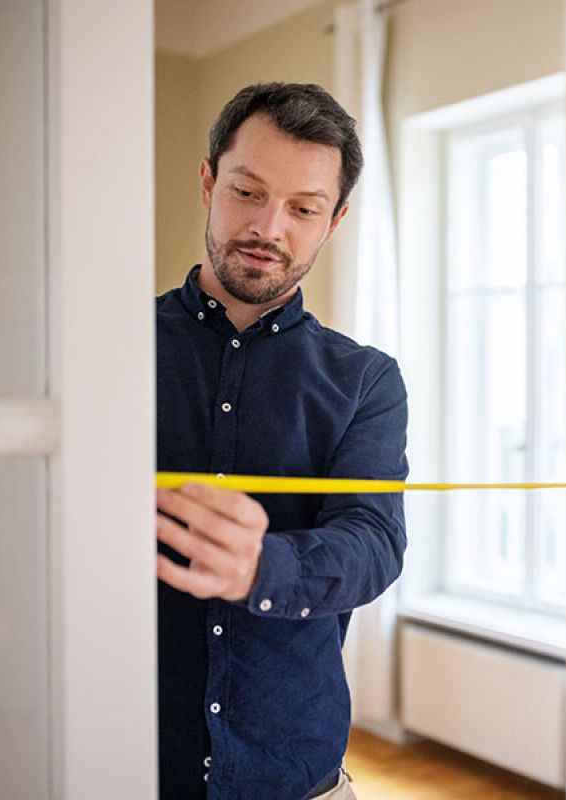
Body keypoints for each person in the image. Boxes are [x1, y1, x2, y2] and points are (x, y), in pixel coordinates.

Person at [154, 83, 408, 800]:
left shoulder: (367, 381)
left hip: (294, 775)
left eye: (303, 208)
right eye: (247, 192)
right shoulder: (105, 352)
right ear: (208, 181)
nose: (269, 227)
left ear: (335, 220)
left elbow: (373, 542)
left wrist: (259, 567)